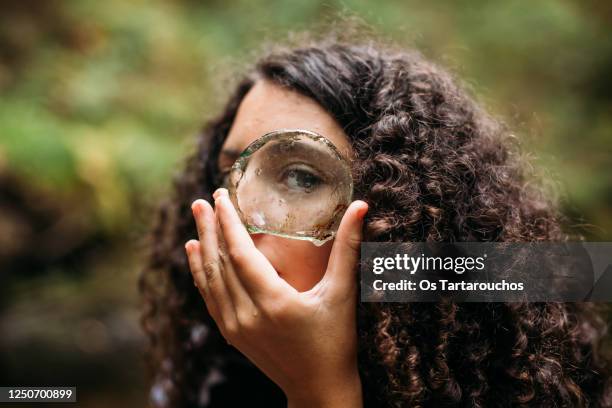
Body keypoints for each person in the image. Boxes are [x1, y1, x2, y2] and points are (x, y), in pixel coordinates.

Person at [139, 35, 612, 407]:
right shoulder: (204, 367)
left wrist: (320, 391)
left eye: (302, 178)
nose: (240, 218)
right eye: (229, 175)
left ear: (400, 217)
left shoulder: (512, 348)